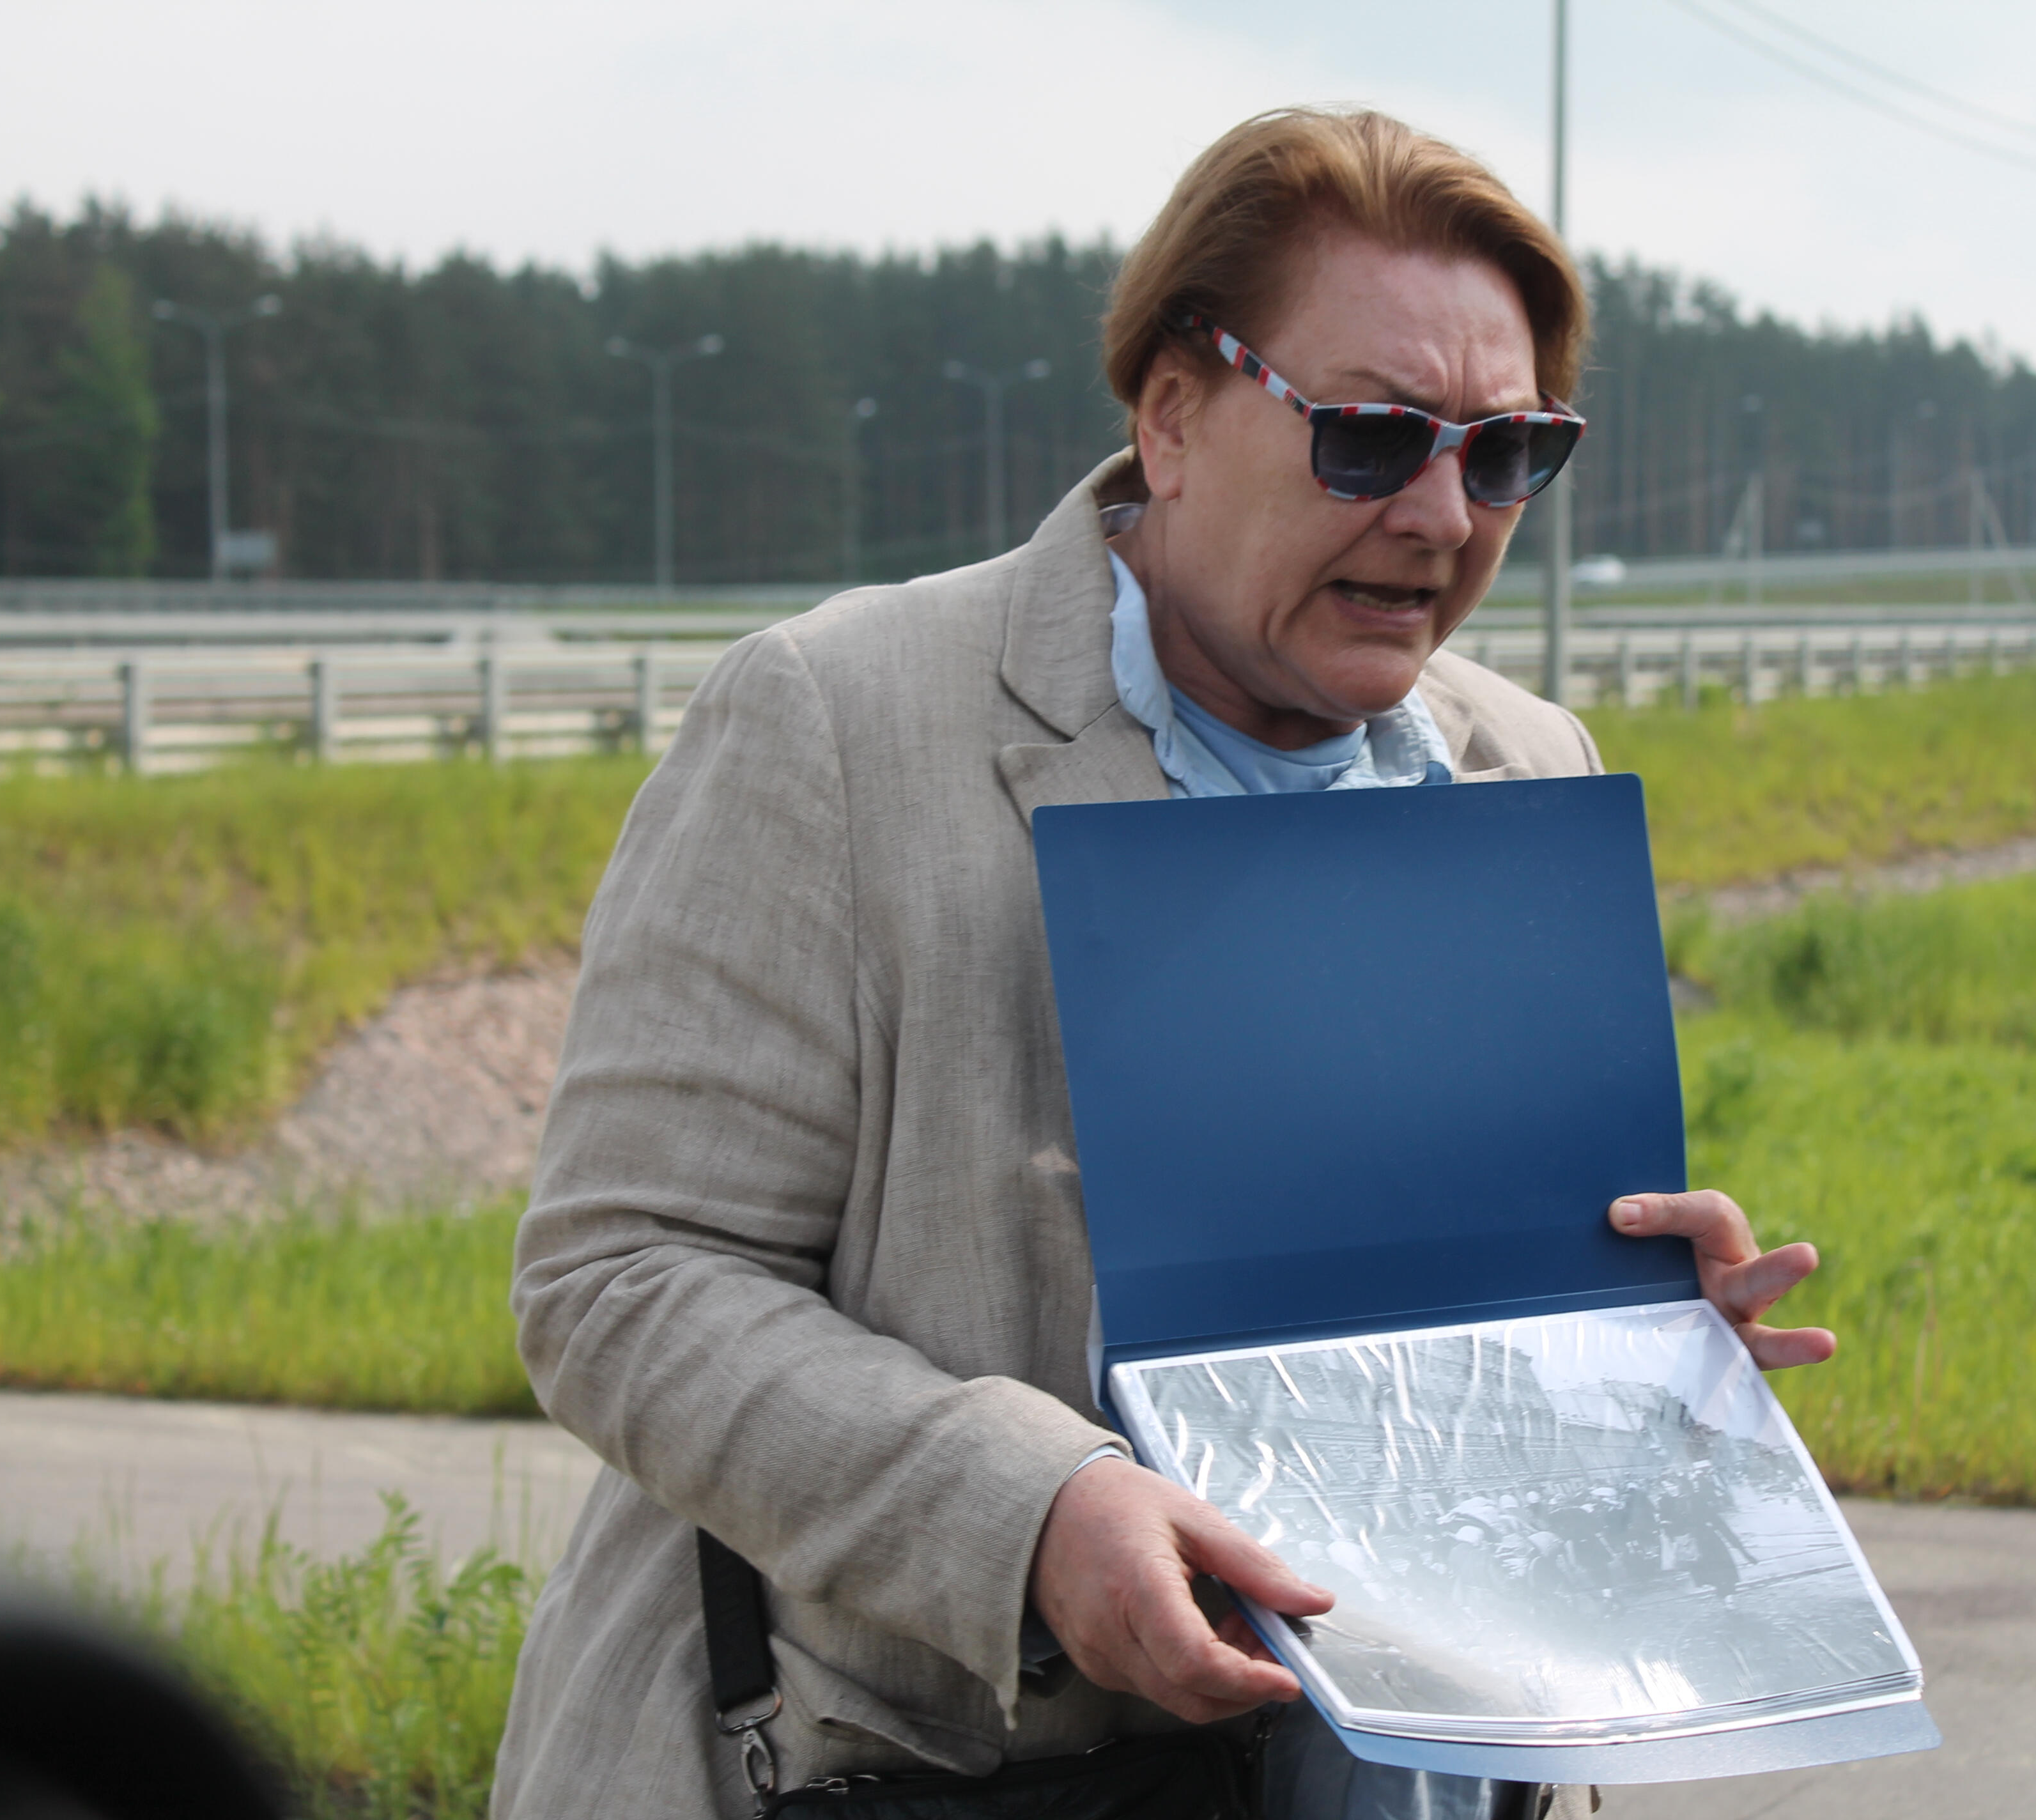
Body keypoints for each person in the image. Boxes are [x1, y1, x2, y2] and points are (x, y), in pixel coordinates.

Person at [491, 107, 1832, 1820]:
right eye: (1370, 437)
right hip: (918, 1765)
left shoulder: (1526, 766)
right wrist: (1029, 1513)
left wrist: (1632, 1342)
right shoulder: (836, 724)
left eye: (1507, 455)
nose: (1442, 514)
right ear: (1174, 414)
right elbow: (621, 1279)